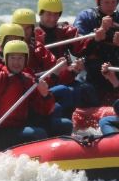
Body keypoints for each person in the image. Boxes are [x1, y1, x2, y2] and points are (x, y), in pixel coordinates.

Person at [0, 40, 71, 154]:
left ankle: (63, 155)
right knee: (38, 134)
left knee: (65, 125)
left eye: (20, 58)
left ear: (26, 60)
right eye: (13, 58)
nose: (16, 62)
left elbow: (45, 111)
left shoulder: (27, 79)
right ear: (6, 59)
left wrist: (45, 95)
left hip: (19, 126)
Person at [12, 7, 79, 135]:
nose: (24, 33)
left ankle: (59, 136)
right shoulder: (3, 50)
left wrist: (69, 71)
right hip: (15, 102)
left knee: (64, 95)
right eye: (21, 28)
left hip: (34, 94)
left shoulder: (37, 47)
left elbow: (56, 73)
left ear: (32, 28)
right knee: (60, 100)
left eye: (28, 28)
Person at [72, 0, 119, 106]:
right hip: (91, 65)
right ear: (98, 2)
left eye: (113, 2)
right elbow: (76, 48)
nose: (110, 6)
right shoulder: (86, 17)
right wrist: (95, 38)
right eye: (106, 2)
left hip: (115, 65)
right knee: (84, 88)